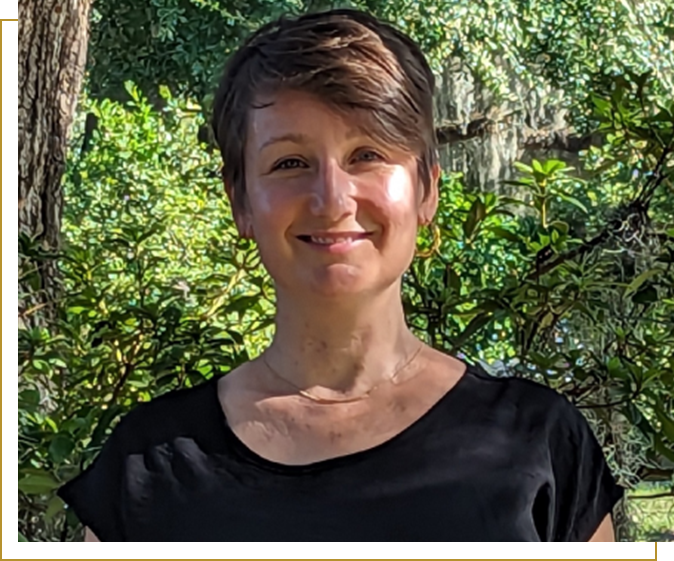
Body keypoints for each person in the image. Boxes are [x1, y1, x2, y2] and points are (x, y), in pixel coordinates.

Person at [57, 8, 624, 555]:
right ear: (241, 202)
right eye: (289, 163)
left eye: (367, 155)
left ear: (427, 189)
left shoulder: (542, 445)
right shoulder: (144, 469)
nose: (332, 200)